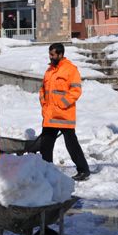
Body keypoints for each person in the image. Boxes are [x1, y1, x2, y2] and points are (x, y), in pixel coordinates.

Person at [39, 43, 90, 181]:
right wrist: (44, 104)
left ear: (60, 54)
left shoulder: (70, 69)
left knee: (71, 144)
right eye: (50, 54)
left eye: (53, 54)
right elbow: (43, 89)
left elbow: (76, 90)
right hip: (50, 115)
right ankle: (46, 170)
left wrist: (62, 104)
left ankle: (83, 170)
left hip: (64, 114)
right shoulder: (49, 71)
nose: (50, 57)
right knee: (46, 145)